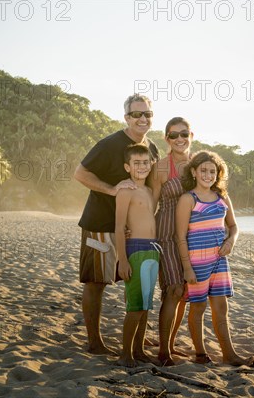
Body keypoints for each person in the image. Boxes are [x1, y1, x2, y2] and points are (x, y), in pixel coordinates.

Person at [74, 94, 159, 355]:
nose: (143, 119)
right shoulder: (110, 144)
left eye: (147, 114)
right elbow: (80, 173)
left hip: (132, 232)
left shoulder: (152, 148)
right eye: (137, 114)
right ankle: (94, 342)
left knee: (132, 283)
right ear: (127, 118)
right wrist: (112, 190)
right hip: (100, 223)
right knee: (96, 283)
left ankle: (135, 341)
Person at [175, 151, 254, 367]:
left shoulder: (222, 197)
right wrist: (187, 268)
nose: (208, 175)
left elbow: (233, 226)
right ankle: (200, 353)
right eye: (203, 170)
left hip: (219, 261)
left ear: (218, 174)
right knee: (198, 307)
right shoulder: (188, 199)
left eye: (213, 171)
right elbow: (180, 236)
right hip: (196, 262)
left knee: (221, 308)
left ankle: (229, 354)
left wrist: (231, 242)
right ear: (194, 172)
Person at [148, 117, 193, 366]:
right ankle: (163, 352)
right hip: (166, 232)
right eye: (173, 135)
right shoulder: (161, 168)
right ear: (166, 138)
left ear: (191, 135)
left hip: (191, 234)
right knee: (173, 289)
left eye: (183, 134)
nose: (179, 139)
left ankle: (171, 344)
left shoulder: (199, 166)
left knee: (185, 292)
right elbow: (152, 202)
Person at [115, 144, 160, 367]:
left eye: (145, 162)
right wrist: (122, 260)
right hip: (136, 250)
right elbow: (118, 227)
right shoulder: (126, 191)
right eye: (136, 163)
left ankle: (139, 350)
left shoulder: (150, 192)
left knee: (145, 305)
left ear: (151, 164)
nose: (142, 166)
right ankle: (125, 355)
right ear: (127, 166)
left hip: (153, 250)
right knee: (134, 306)